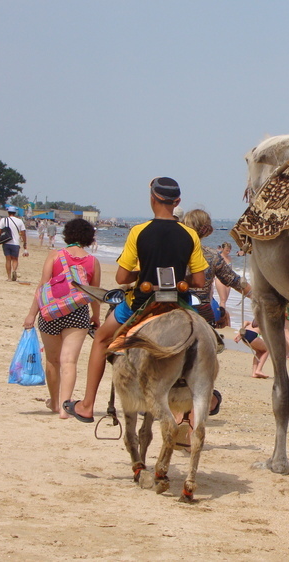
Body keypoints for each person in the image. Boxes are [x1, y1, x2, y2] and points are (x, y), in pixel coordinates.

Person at [63, 177, 208, 424]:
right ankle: (210, 396)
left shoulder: (138, 232)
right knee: (209, 342)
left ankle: (87, 405)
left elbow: (121, 277)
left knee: (101, 339)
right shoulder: (190, 234)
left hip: (141, 302)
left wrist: (140, 273)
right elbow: (199, 281)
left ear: (152, 198)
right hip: (178, 302)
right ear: (178, 202)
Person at [23, 219, 101, 417]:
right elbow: (94, 294)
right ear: (89, 237)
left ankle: (55, 403)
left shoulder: (55, 255)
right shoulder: (93, 261)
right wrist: (96, 317)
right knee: (69, 361)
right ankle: (65, 409)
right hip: (77, 315)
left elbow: (42, 286)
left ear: (67, 234)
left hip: (51, 313)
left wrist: (32, 313)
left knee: (52, 361)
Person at [182, 209, 251, 327]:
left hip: (177, 305)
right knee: (224, 316)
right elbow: (234, 281)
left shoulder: (172, 252)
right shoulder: (212, 256)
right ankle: (219, 343)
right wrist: (259, 298)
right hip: (202, 310)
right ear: (207, 231)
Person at [0, 206, 27, 281]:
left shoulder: (3, 220)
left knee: (8, 260)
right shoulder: (20, 221)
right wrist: (25, 244)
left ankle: (9, 277)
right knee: (15, 259)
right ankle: (14, 270)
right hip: (16, 243)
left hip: (6, 242)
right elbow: (23, 234)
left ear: (8, 212)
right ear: (15, 212)